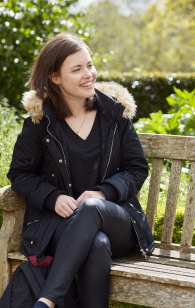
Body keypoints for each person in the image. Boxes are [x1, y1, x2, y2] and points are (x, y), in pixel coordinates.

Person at [5, 33, 155, 308]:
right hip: (60, 225)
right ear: (54, 77)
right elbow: (20, 174)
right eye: (77, 69)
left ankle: (46, 301)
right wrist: (52, 197)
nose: (89, 74)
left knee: (91, 209)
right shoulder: (41, 123)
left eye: (90, 65)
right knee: (95, 245)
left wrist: (103, 192)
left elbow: (136, 168)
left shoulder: (114, 116)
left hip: (117, 221)